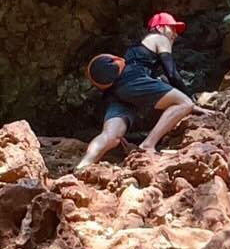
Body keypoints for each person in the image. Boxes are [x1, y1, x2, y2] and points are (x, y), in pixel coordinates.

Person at [75, 12, 197, 170]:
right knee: (184, 103)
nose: (175, 34)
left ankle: (83, 165)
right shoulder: (160, 38)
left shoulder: (136, 47)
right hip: (133, 82)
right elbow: (172, 73)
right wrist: (192, 102)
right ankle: (148, 145)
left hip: (116, 90)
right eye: (172, 28)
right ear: (159, 27)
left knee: (111, 137)